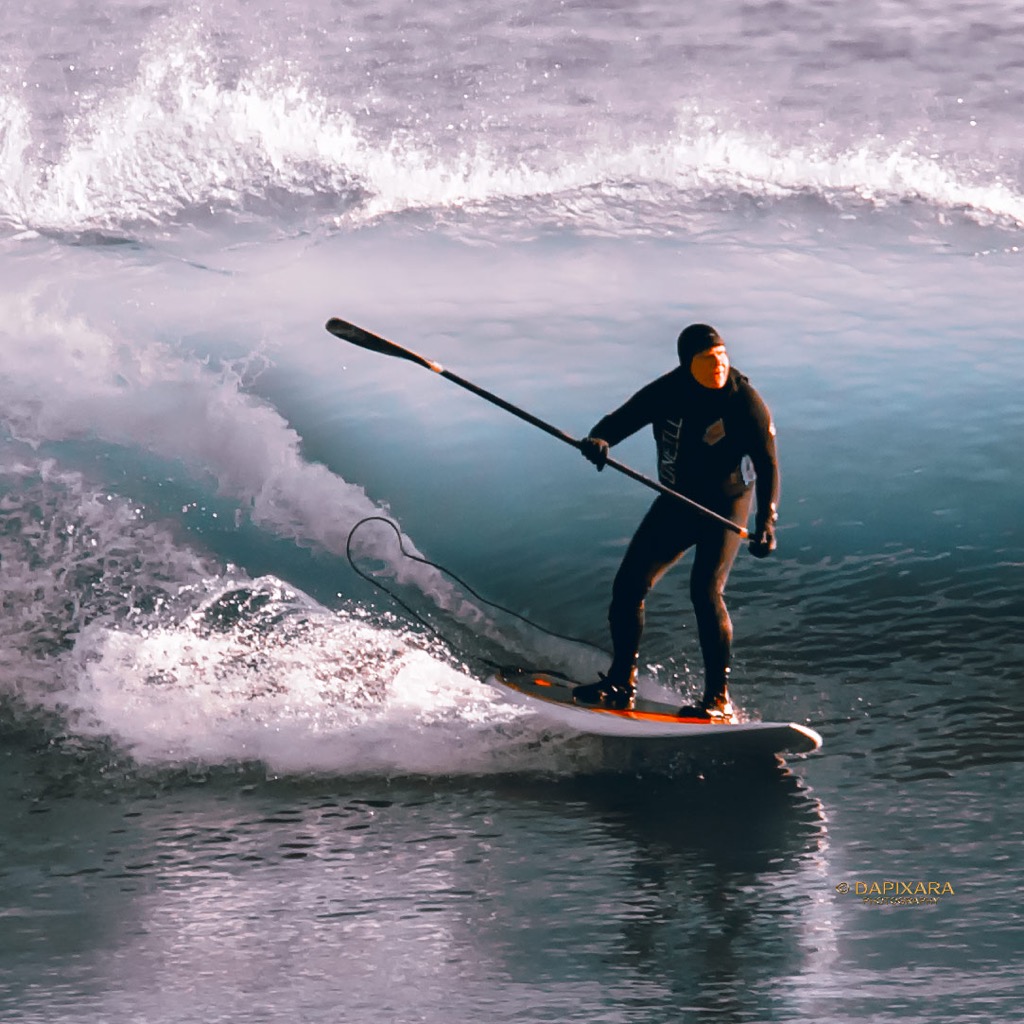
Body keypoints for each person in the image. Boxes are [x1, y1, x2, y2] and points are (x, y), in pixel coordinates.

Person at [573, 323, 779, 719]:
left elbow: (768, 465)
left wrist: (767, 521)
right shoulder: (667, 391)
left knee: (705, 591)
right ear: (688, 365)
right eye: (707, 360)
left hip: (725, 506)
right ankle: (620, 683)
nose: (718, 366)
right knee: (629, 585)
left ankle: (718, 701)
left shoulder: (745, 402)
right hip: (678, 502)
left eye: (722, 357)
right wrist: (599, 441)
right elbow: (621, 420)